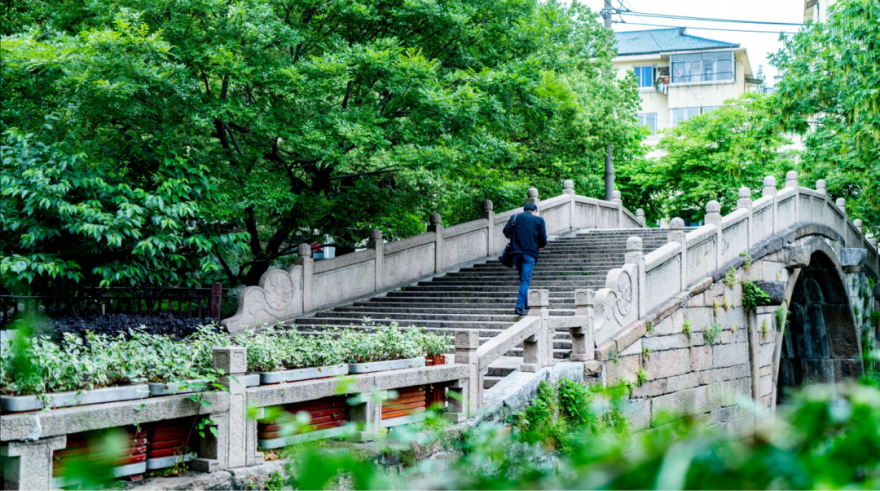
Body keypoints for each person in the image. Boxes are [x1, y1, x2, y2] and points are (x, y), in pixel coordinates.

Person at [503, 202, 547, 316]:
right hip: (529, 254)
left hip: (515, 253)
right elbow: (543, 239)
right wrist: (540, 245)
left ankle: (526, 303)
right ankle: (520, 307)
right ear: (535, 211)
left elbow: (506, 231)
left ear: (524, 210)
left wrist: (515, 238)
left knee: (523, 278)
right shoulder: (538, 220)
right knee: (525, 280)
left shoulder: (515, 217)